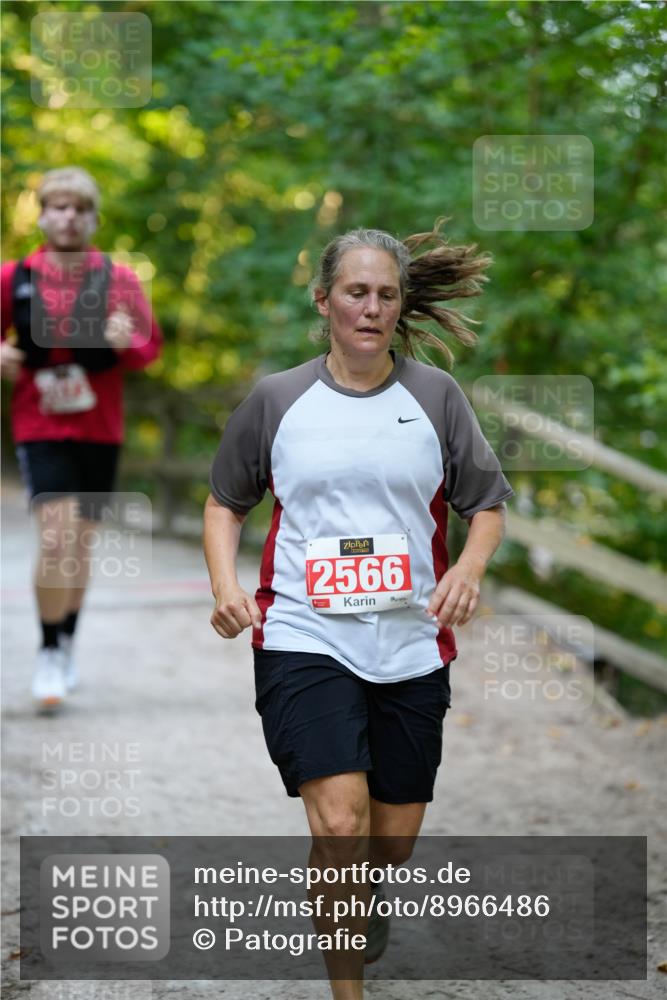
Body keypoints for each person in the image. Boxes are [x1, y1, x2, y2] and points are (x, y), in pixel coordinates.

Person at [203, 220, 512, 998]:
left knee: (390, 843)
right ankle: (348, 992)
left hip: (410, 642)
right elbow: (222, 503)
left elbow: (487, 506)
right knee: (339, 826)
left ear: (399, 306)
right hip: (304, 634)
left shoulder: (435, 397)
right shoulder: (278, 399)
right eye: (355, 293)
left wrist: (468, 570)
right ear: (324, 300)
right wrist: (225, 588)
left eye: (385, 295)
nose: (370, 308)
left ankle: (363, 893)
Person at [1, 167, 162, 711]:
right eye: (58, 206)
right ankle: (47, 651)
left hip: (99, 427)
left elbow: (150, 349)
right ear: (42, 214)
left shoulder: (118, 280)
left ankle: (66, 638)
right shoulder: (14, 277)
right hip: (39, 422)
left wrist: (127, 341)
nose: (68, 216)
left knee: (79, 543)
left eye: (78, 208)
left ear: (92, 218)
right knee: (54, 537)